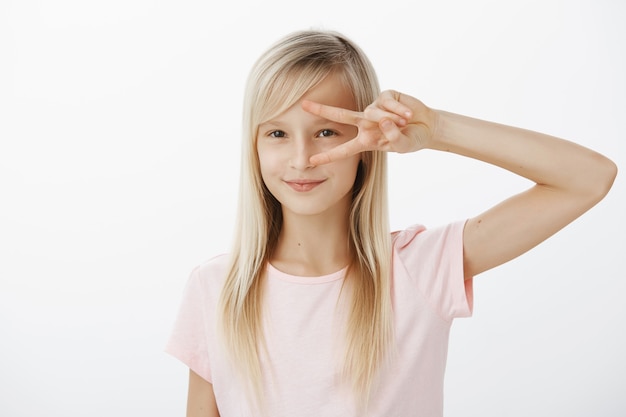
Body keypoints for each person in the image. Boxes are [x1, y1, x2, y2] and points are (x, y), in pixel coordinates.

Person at [165, 29, 617, 417]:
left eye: (326, 131)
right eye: (278, 133)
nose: (302, 159)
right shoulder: (216, 288)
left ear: (365, 146)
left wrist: (437, 128)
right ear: (255, 146)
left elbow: (589, 178)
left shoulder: (419, 270)